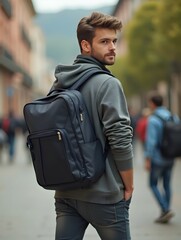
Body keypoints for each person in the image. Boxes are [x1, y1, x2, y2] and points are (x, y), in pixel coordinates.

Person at [51, 12, 134, 240]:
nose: (113, 47)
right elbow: (120, 137)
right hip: (105, 194)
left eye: (114, 41)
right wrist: (128, 185)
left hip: (66, 192)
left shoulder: (60, 83)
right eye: (104, 41)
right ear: (86, 45)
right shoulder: (108, 83)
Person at [144, 93, 175, 224]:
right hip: (170, 156)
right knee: (167, 184)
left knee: (152, 183)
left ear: (152, 103)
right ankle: (165, 211)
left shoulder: (153, 119)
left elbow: (151, 141)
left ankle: (165, 209)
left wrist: (147, 158)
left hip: (158, 158)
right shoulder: (173, 117)